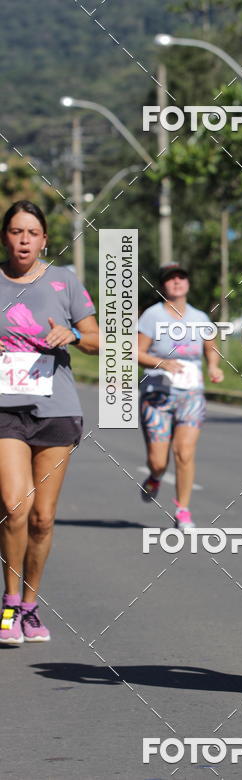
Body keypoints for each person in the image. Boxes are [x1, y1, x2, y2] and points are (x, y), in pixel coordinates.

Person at [0, 200, 99, 646]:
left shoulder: (65, 281)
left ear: (44, 239)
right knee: (15, 508)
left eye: (31, 233)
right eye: (16, 231)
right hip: (5, 410)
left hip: (55, 409)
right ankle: (8, 600)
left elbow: (96, 338)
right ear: (5, 237)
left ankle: (30, 606)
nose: (23, 240)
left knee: (42, 518)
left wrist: (75, 335)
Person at [137, 262, 224, 529]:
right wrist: (163, 364)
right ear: (164, 285)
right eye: (171, 279)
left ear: (187, 283)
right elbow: (136, 353)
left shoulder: (200, 317)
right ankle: (154, 476)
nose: (177, 282)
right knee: (159, 460)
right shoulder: (152, 316)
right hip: (157, 395)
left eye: (181, 278)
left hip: (191, 394)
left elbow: (211, 347)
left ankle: (183, 510)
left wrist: (213, 366)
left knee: (185, 453)